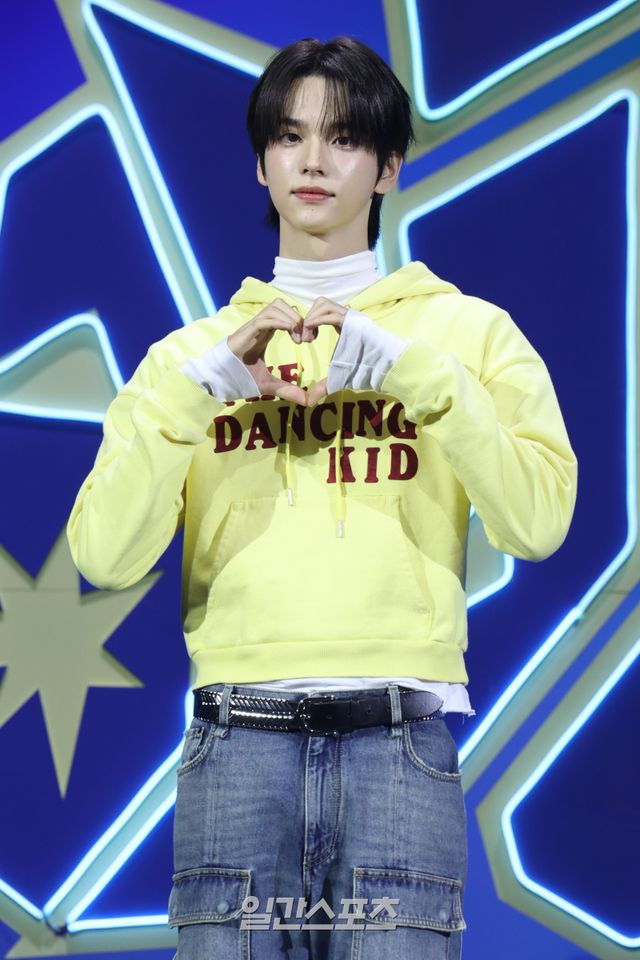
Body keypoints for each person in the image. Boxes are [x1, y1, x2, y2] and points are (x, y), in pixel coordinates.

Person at [66, 35, 578, 960]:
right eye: (290, 136)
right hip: (237, 749)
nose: (313, 161)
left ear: (388, 166)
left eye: (343, 138)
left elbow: (539, 522)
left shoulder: (468, 336)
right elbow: (103, 555)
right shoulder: (187, 360)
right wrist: (209, 386)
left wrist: (408, 371)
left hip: (400, 750)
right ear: (261, 162)